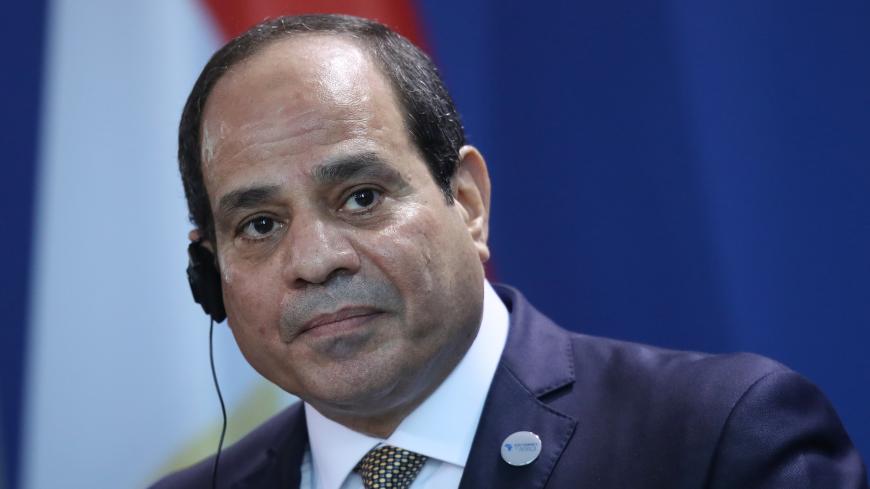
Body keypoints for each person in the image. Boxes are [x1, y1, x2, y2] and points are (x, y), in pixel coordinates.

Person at [151, 14, 868, 489]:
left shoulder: (718, 439)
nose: (314, 258)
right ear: (209, 270)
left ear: (466, 200)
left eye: (361, 197)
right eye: (260, 225)